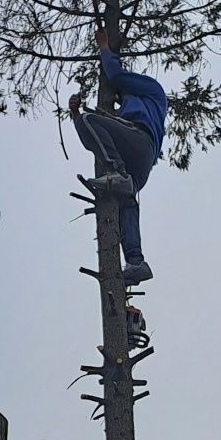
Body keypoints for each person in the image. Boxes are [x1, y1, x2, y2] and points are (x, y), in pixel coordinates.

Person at [68, 28, 165, 285]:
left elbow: (116, 74)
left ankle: (118, 173)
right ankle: (136, 262)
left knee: (90, 120)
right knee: (125, 202)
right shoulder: (127, 113)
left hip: (139, 144)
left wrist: (104, 48)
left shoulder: (152, 91)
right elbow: (99, 139)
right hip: (139, 162)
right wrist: (75, 116)